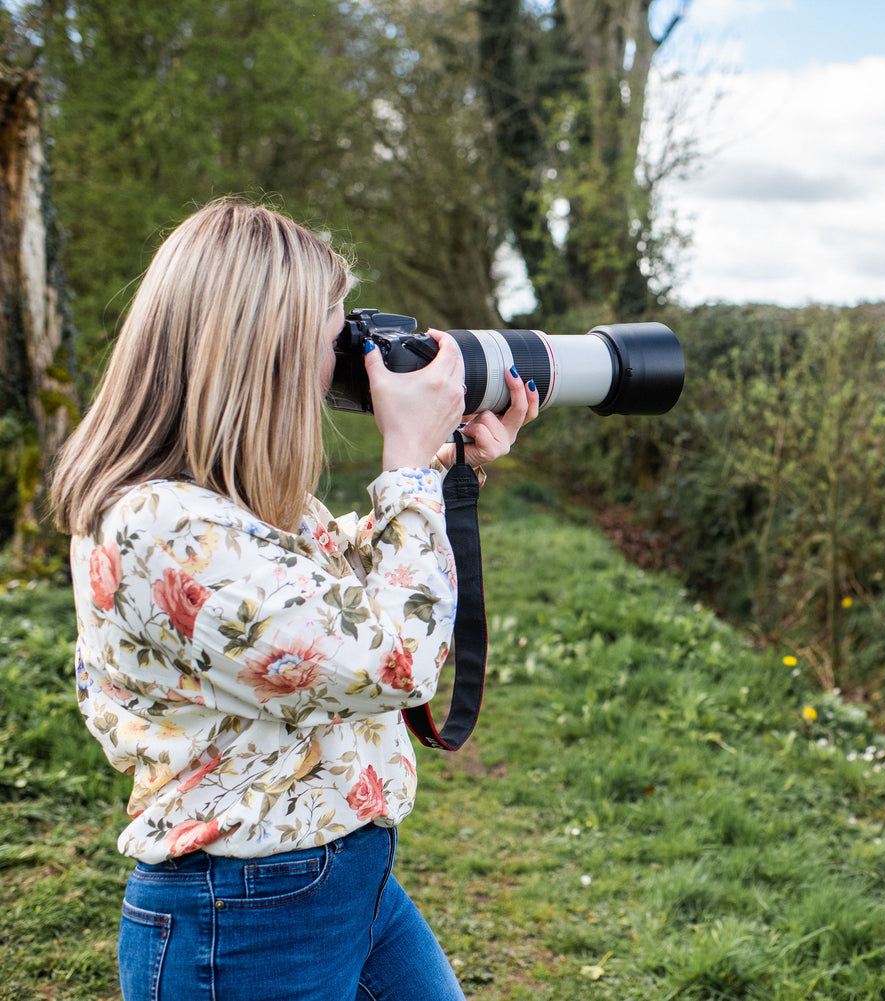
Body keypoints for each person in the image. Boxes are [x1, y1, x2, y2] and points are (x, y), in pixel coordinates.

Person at [49, 198, 537, 1001]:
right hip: (244, 920)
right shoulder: (158, 523)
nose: (345, 362)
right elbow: (394, 658)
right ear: (261, 350)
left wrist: (442, 469)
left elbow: (342, 592)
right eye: (333, 335)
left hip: (345, 879)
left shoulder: (232, 500)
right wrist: (408, 461)